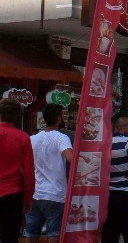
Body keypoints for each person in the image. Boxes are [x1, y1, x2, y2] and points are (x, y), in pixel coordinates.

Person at [26, 103, 71, 243]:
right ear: (58, 119)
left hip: (36, 193)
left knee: (31, 234)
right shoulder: (61, 138)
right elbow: (71, 158)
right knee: (54, 235)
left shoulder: (32, 138)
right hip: (55, 195)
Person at [0, 98, 33, 243]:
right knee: (11, 236)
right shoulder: (23, 138)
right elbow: (29, 172)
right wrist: (28, 199)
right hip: (13, 194)